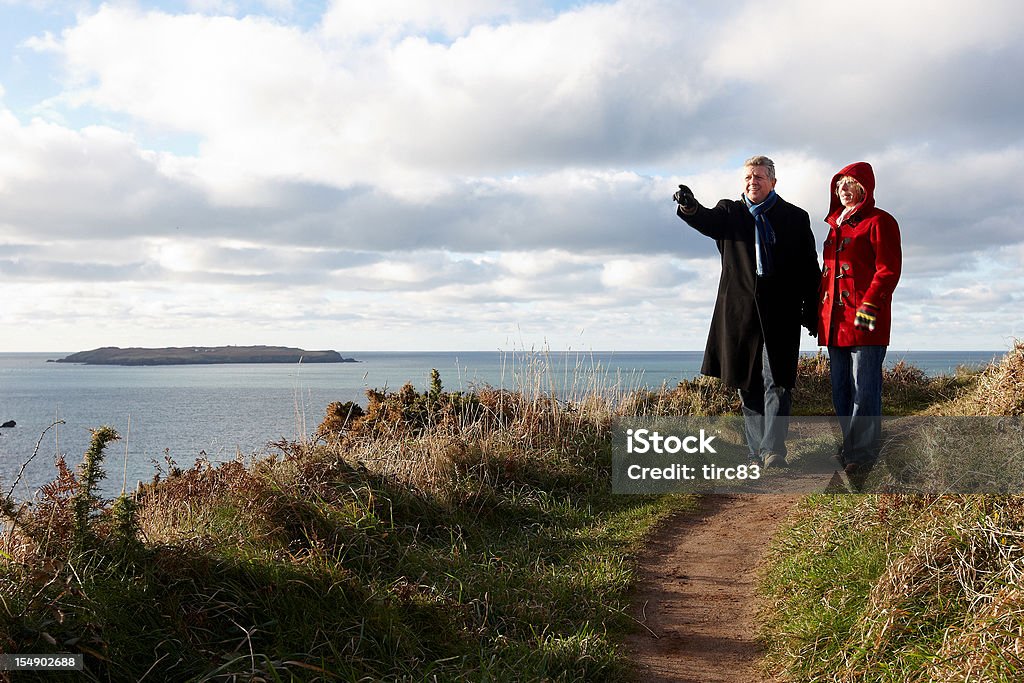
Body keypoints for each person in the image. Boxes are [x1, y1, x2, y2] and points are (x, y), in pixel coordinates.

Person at [675, 156, 821, 468]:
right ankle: (757, 453)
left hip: (782, 312)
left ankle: (773, 451)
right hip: (739, 313)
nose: (752, 181)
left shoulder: (795, 217)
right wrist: (690, 208)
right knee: (748, 384)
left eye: (758, 177)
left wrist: (812, 311)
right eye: (748, 178)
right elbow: (707, 220)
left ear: (773, 182)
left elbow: (809, 268)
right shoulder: (730, 212)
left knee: (778, 381)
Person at [818, 162, 901, 481]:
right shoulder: (834, 226)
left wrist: (869, 306)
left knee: (863, 388)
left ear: (866, 188)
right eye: (840, 184)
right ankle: (851, 447)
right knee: (840, 389)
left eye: (851, 183)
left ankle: (863, 454)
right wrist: (818, 314)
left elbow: (888, 270)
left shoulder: (881, 222)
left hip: (866, 321)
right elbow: (828, 278)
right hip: (835, 322)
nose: (844, 189)